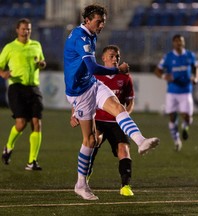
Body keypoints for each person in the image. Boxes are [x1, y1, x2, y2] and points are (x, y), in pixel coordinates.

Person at [64, 4, 159, 201]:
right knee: (89, 140)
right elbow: (92, 67)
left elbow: (90, 72)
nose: (101, 26)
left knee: (118, 107)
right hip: (79, 93)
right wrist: (118, 70)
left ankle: (141, 141)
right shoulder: (81, 37)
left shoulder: (90, 33)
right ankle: (80, 184)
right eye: (99, 22)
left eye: (103, 22)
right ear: (87, 20)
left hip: (91, 84)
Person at [70, 45, 135, 196]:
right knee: (92, 143)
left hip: (116, 122)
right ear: (103, 58)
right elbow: (81, 97)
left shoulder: (125, 77)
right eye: (112, 56)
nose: (115, 59)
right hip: (96, 119)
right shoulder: (94, 76)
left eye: (117, 56)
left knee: (123, 150)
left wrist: (125, 115)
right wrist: (74, 114)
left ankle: (125, 186)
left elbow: (130, 102)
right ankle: (84, 179)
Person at [0, 18, 46, 170]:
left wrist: (41, 64)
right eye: (24, 29)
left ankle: (32, 161)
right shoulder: (10, 47)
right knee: (21, 123)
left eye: (29, 29)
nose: (26, 31)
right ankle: (8, 146)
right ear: (17, 30)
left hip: (33, 87)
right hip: (16, 87)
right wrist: (3, 73)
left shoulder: (36, 45)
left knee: (36, 123)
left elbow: (42, 61)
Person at [155, 34, 198, 152]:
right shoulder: (168, 57)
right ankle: (177, 141)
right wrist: (164, 76)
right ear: (173, 43)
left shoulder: (190, 55)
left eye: (181, 41)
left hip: (186, 90)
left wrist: (196, 78)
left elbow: (196, 68)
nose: (179, 43)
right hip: (172, 91)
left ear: (183, 42)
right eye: (176, 41)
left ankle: (185, 127)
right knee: (172, 117)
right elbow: (157, 71)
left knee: (187, 117)